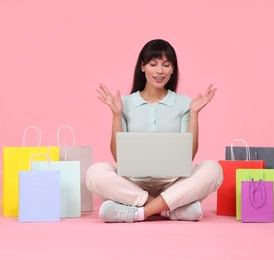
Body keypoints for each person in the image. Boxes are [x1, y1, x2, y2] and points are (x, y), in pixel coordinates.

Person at [86, 39, 223, 223]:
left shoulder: (184, 103)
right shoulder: (124, 103)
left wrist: (194, 114)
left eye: (166, 65)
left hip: (173, 183)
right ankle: (168, 210)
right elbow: (119, 156)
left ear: (173, 69)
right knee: (95, 173)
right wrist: (117, 115)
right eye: (153, 64)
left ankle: (139, 212)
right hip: (134, 182)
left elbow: (187, 156)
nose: (160, 71)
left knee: (213, 169)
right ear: (142, 67)